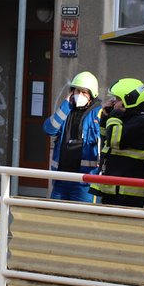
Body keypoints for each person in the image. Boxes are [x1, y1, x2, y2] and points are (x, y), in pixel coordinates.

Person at [90, 78, 144, 207]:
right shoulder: (128, 118)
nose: (114, 103)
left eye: (117, 99)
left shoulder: (142, 122)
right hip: (113, 189)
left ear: (129, 100)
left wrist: (114, 115)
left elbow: (115, 141)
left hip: (127, 194)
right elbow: (105, 139)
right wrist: (105, 118)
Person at [44, 71, 103, 202]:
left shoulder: (99, 114)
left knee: (83, 219)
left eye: (83, 92)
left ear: (92, 95)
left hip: (85, 182)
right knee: (56, 216)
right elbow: (49, 129)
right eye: (76, 91)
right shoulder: (66, 110)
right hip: (61, 179)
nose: (79, 95)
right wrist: (65, 104)